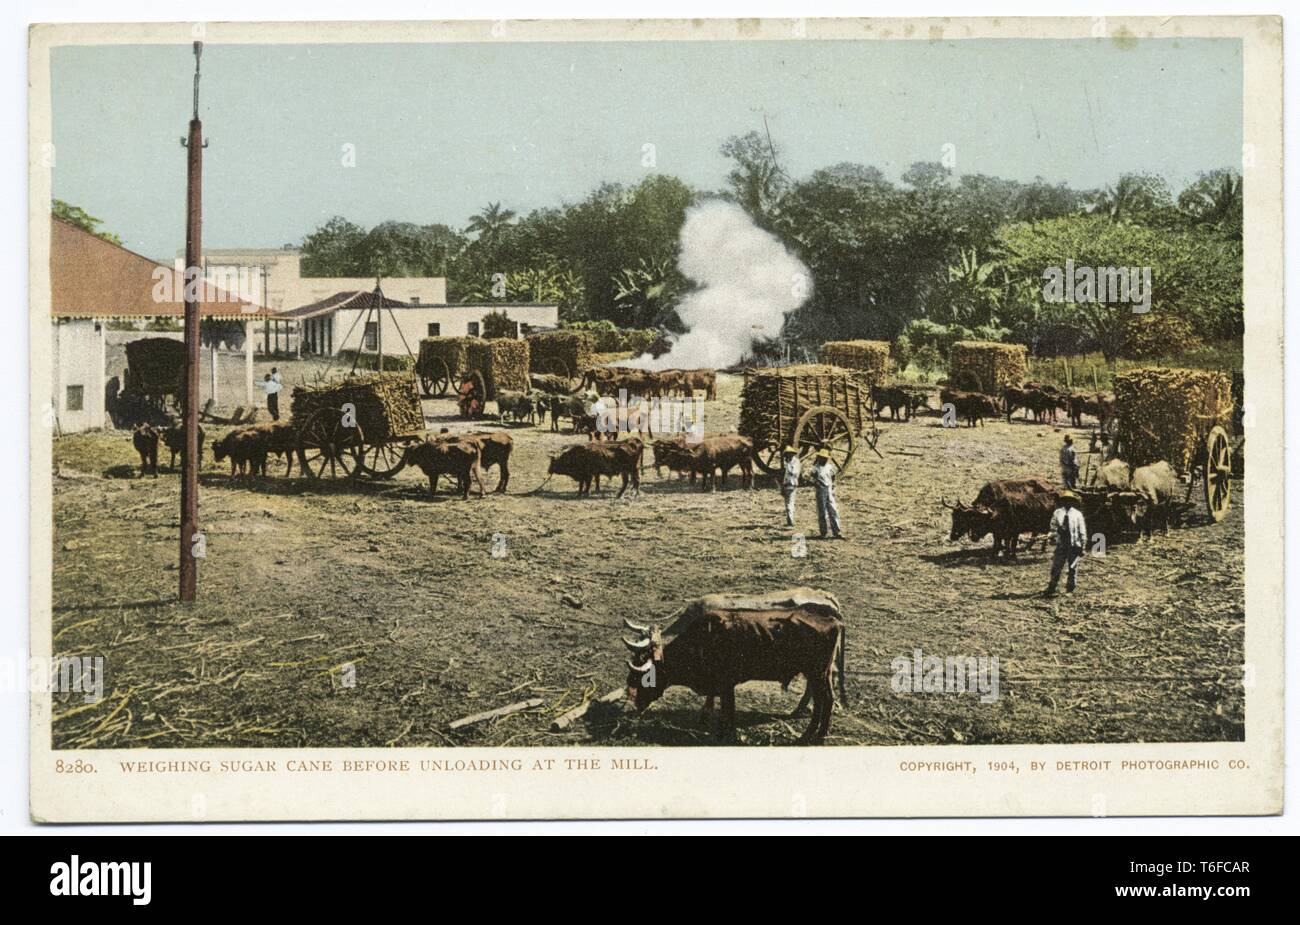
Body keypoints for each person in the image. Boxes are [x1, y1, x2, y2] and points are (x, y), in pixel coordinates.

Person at [1046, 489, 1087, 596]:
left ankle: (1070, 589)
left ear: (1072, 501)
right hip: (1061, 545)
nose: (1067, 502)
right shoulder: (1058, 513)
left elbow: (1082, 531)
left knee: (1072, 568)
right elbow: (1053, 527)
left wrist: (1083, 546)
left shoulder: (1077, 514)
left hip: (1074, 545)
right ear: (1062, 501)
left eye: (1069, 500)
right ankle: (1052, 588)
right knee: (1056, 567)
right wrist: (1053, 535)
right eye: (1065, 500)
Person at [810, 448, 844, 540]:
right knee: (822, 511)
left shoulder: (829, 467)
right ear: (819, 458)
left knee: (833, 510)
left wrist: (833, 486)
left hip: (829, 489)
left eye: (825, 458)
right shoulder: (815, 468)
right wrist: (816, 483)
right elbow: (811, 478)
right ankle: (823, 532)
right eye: (822, 458)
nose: (824, 459)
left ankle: (837, 532)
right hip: (820, 490)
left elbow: (833, 476)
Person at [780, 445, 800, 527]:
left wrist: (787, 465)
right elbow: (785, 475)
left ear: (792, 454)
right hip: (786, 484)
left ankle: (790, 523)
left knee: (789, 504)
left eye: (789, 454)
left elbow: (794, 472)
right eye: (787, 455)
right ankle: (789, 520)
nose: (788, 456)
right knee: (787, 503)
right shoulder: (788, 463)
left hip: (792, 484)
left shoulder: (795, 462)